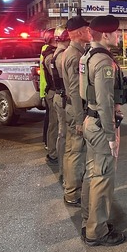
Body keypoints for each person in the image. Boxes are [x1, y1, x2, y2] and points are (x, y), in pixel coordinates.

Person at [79, 14, 127, 246]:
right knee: (102, 178)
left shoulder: (88, 55)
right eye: (116, 32)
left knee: (92, 174)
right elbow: (104, 101)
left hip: (91, 121)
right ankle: (97, 231)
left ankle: (89, 220)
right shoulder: (103, 62)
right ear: (105, 34)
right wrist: (111, 135)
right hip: (102, 126)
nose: (118, 35)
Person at [60, 15, 92, 207]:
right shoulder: (75, 56)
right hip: (76, 109)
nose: (90, 32)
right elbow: (74, 89)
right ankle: (72, 193)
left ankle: (69, 187)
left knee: (71, 150)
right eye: (87, 30)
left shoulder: (72, 52)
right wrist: (80, 120)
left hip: (72, 108)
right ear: (80, 33)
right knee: (77, 153)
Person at [49, 25, 70, 184]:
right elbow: (69, 83)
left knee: (61, 134)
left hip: (57, 96)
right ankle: (64, 171)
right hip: (63, 98)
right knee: (64, 135)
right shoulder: (62, 57)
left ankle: (64, 170)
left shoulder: (53, 54)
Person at [40, 28, 58, 165]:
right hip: (52, 92)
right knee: (54, 124)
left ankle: (51, 148)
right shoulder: (50, 55)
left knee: (52, 123)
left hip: (48, 91)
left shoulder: (47, 52)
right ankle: (52, 152)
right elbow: (56, 77)